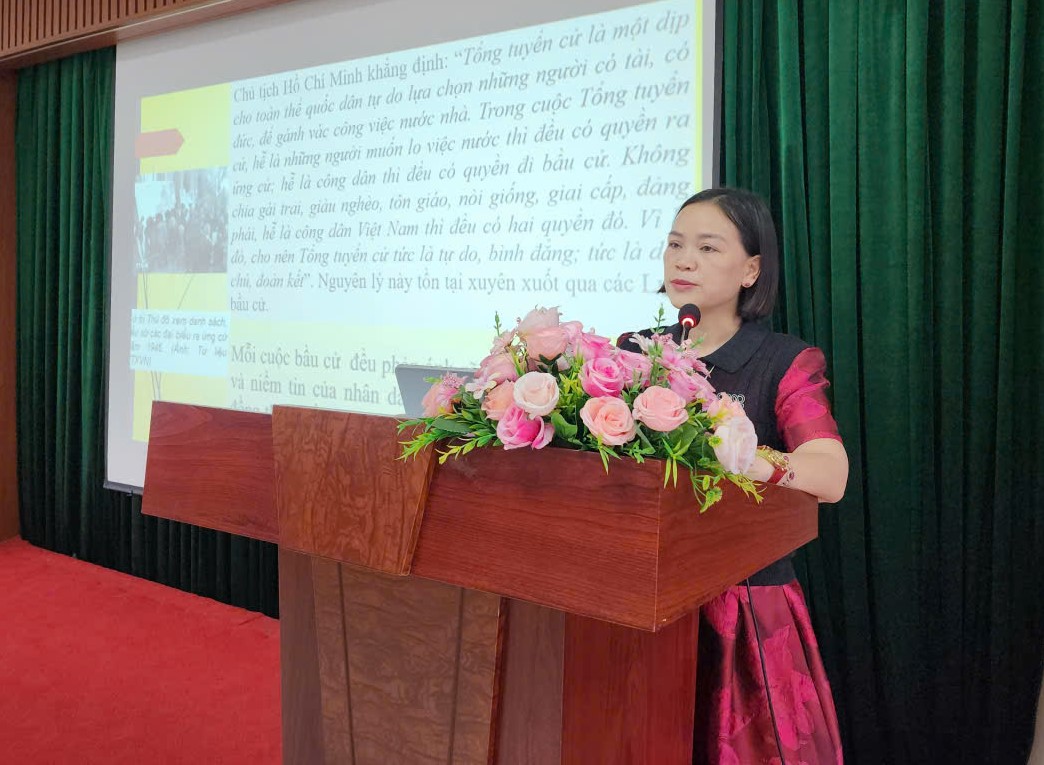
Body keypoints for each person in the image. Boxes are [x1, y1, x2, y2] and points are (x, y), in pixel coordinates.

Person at [618, 187, 849, 764]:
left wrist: (750, 457)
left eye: (707, 247)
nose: (684, 261)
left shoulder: (783, 360)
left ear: (751, 270)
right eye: (675, 245)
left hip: (741, 607)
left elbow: (830, 475)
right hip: (638, 601)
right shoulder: (634, 354)